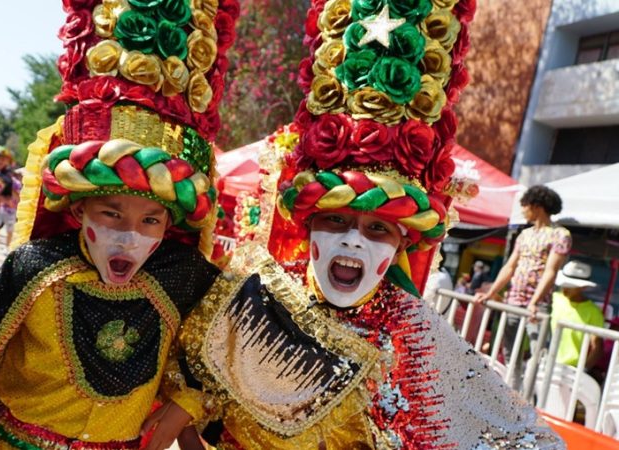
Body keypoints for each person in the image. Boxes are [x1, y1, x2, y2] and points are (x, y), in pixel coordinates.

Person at [161, 0, 563, 446]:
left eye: (377, 229)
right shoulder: (256, 285)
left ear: (400, 243)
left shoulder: (413, 332)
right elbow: (192, 388)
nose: (353, 241)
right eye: (336, 221)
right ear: (309, 228)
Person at [0, 1, 238, 448]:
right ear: (79, 211)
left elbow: (218, 354)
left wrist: (186, 406)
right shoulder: (34, 269)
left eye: (150, 220)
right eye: (111, 213)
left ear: (169, 224)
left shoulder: (180, 276)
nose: (129, 235)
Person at [475, 185, 571, 385]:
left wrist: (534, 302)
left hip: (537, 305)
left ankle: (531, 399)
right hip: (513, 300)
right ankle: (513, 395)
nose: (523, 211)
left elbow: (550, 271)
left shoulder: (560, 234)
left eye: (525, 206)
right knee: (511, 353)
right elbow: (509, 267)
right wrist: (491, 292)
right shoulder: (524, 235)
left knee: (538, 355)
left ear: (537, 206)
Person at [550, 261, 604, 369]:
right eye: (565, 284)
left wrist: (582, 369)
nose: (565, 288)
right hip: (543, 360)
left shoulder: (593, 312)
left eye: (571, 285)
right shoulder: (553, 298)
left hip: (570, 369)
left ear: (583, 287)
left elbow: (597, 346)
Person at [0, 170, 21, 251]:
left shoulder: (16, 184)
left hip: (11, 211)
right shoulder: (4, 182)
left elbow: (18, 197)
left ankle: (7, 247)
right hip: (2, 208)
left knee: (9, 230)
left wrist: (12, 191)